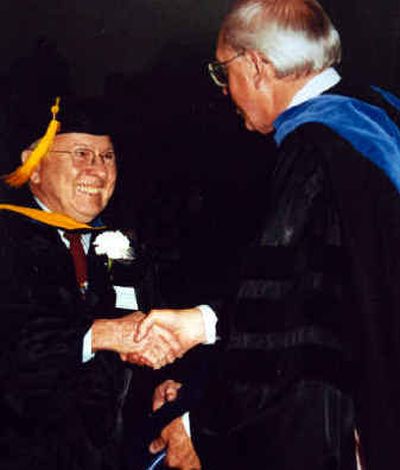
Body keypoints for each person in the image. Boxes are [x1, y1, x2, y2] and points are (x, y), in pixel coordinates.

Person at [134, 0, 400, 469]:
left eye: (223, 71)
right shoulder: (380, 110)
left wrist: (201, 426)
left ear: (256, 66)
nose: (224, 91)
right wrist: (203, 322)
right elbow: (316, 290)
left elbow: (290, 334)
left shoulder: (314, 151)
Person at [0, 96, 181, 470]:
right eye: (81, 154)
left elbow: (145, 322)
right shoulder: (7, 238)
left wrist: (163, 382)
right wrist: (99, 334)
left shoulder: (122, 246)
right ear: (33, 167)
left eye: (107, 156)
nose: (97, 170)